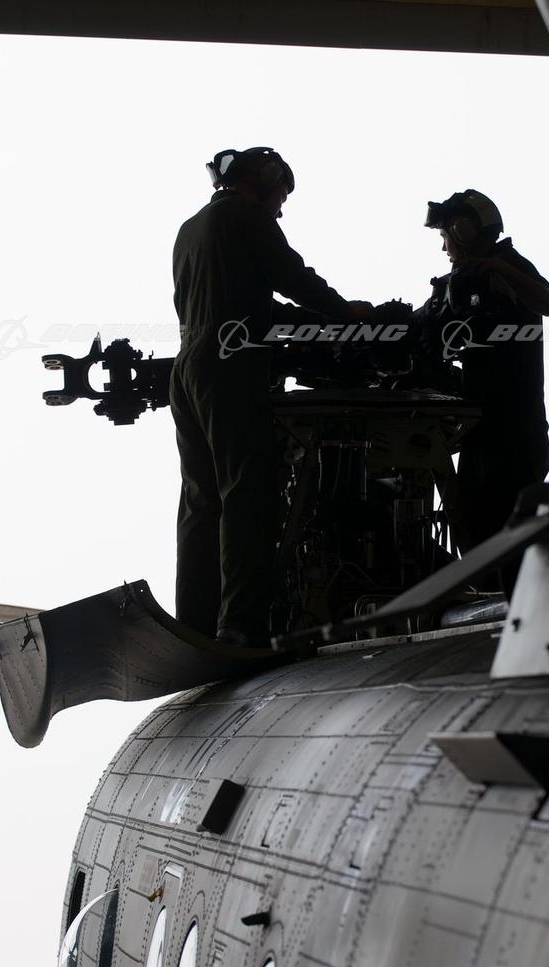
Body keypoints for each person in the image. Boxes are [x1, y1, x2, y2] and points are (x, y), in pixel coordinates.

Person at [170, 146, 372, 646]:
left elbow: (242, 302)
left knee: (201, 500)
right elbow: (293, 278)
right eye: (281, 196)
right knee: (248, 491)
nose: (281, 209)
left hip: (188, 366)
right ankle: (240, 626)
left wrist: (308, 321)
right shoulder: (248, 216)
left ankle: (194, 625)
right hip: (230, 368)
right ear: (264, 180)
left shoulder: (190, 229)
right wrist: (347, 314)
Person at [423, 189, 549, 553]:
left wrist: (498, 269)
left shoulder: (507, 264)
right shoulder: (463, 281)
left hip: (514, 438)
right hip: (481, 435)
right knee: (477, 541)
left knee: (508, 551)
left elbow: (548, 304)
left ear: (464, 230)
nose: (444, 247)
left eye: (445, 236)